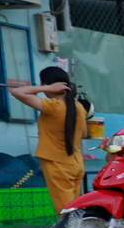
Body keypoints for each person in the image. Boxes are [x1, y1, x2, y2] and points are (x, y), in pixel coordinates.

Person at [8, 67, 87, 213]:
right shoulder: (79, 107)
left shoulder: (53, 106)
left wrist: (47, 87)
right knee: (75, 211)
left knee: (67, 214)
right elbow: (83, 134)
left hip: (58, 165)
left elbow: (17, 92)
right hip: (76, 164)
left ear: (47, 84)